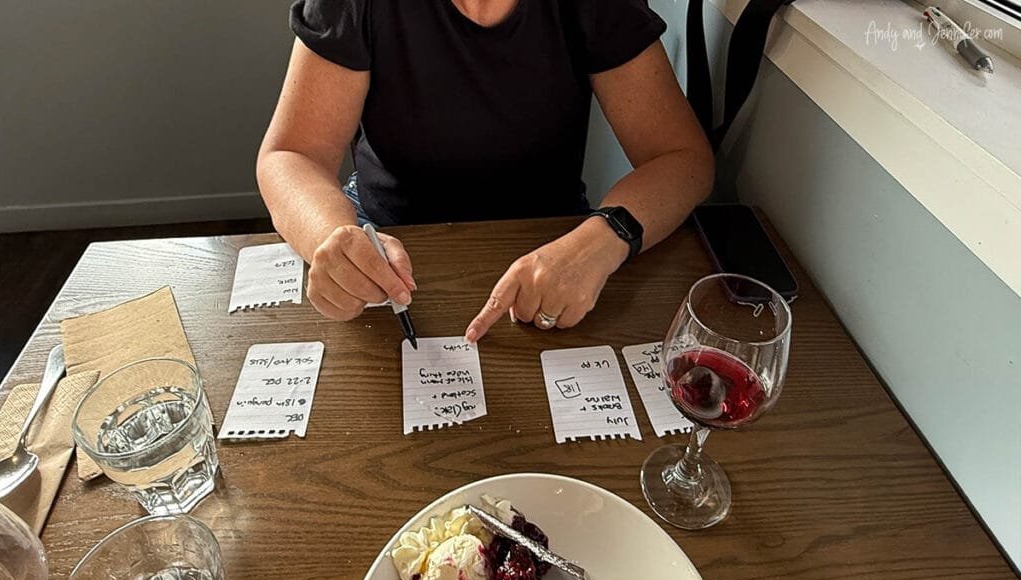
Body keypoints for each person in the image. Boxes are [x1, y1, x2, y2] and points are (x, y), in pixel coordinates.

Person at [256, 0, 714, 342]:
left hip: (554, 244)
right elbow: (292, 154)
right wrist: (331, 240)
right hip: (387, 237)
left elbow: (682, 157)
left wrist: (604, 237)